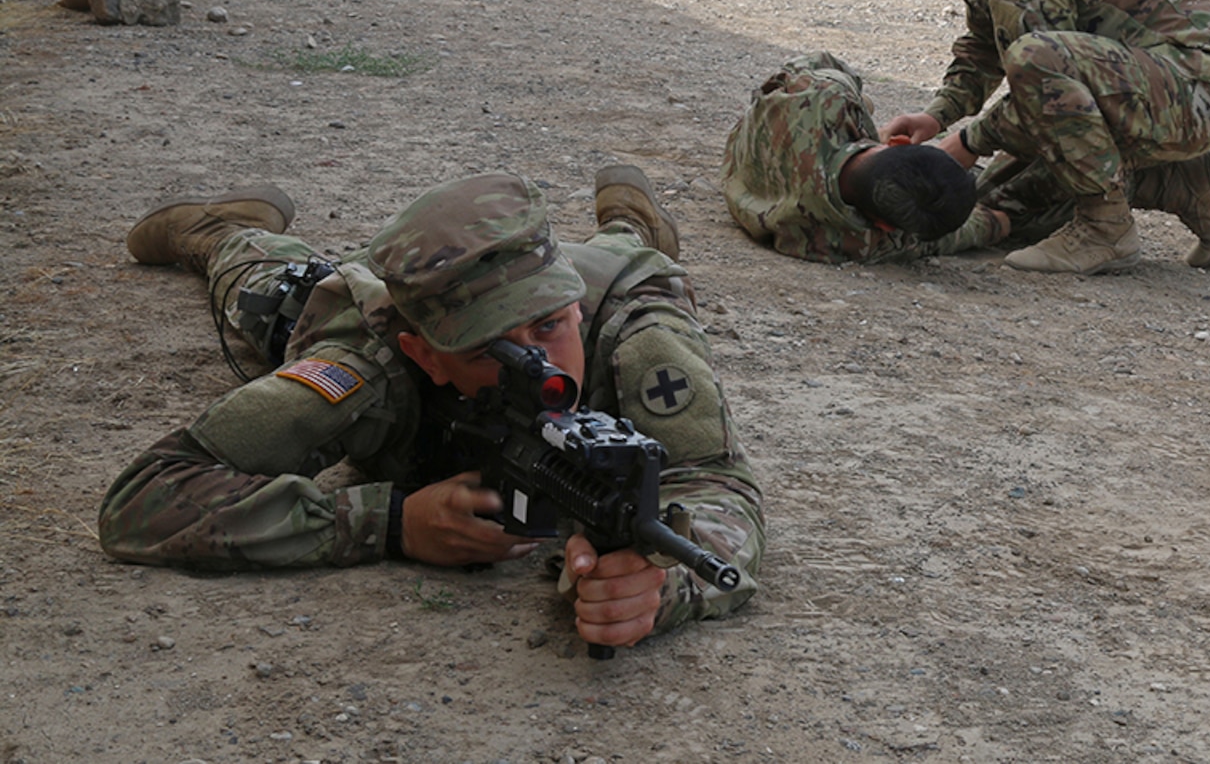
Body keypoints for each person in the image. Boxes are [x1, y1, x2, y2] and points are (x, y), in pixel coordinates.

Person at [98, 166, 762, 651]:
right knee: (272, 297)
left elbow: (717, 481)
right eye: (493, 350)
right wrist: (388, 523)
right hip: (395, 286)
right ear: (426, 354)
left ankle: (631, 224)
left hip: (598, 270)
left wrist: (661, 586)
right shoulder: (374, 357)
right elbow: (142, 495)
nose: (549, 368)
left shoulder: (635, 333)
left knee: (621, 254)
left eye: (553, 327)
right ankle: (222, 230)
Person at [851, 0, 1210, 275]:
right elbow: (984, 47)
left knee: (1031, 69)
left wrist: (968, 141)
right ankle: (1176, 180)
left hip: (1195, 94)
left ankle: (1106, 229)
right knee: (996, 201)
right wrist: (937, 115)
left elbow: (1041, 83)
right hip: (1154, 87)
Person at [721, 50, 1017, 264]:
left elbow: (820, 63)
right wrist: (998, 222)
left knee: (858, 99)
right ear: (886, 227)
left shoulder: (826, 99)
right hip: (745, 170)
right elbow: (949, 237)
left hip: (754, 142)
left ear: (898, 142)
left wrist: (853, 98)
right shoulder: (849, 243)